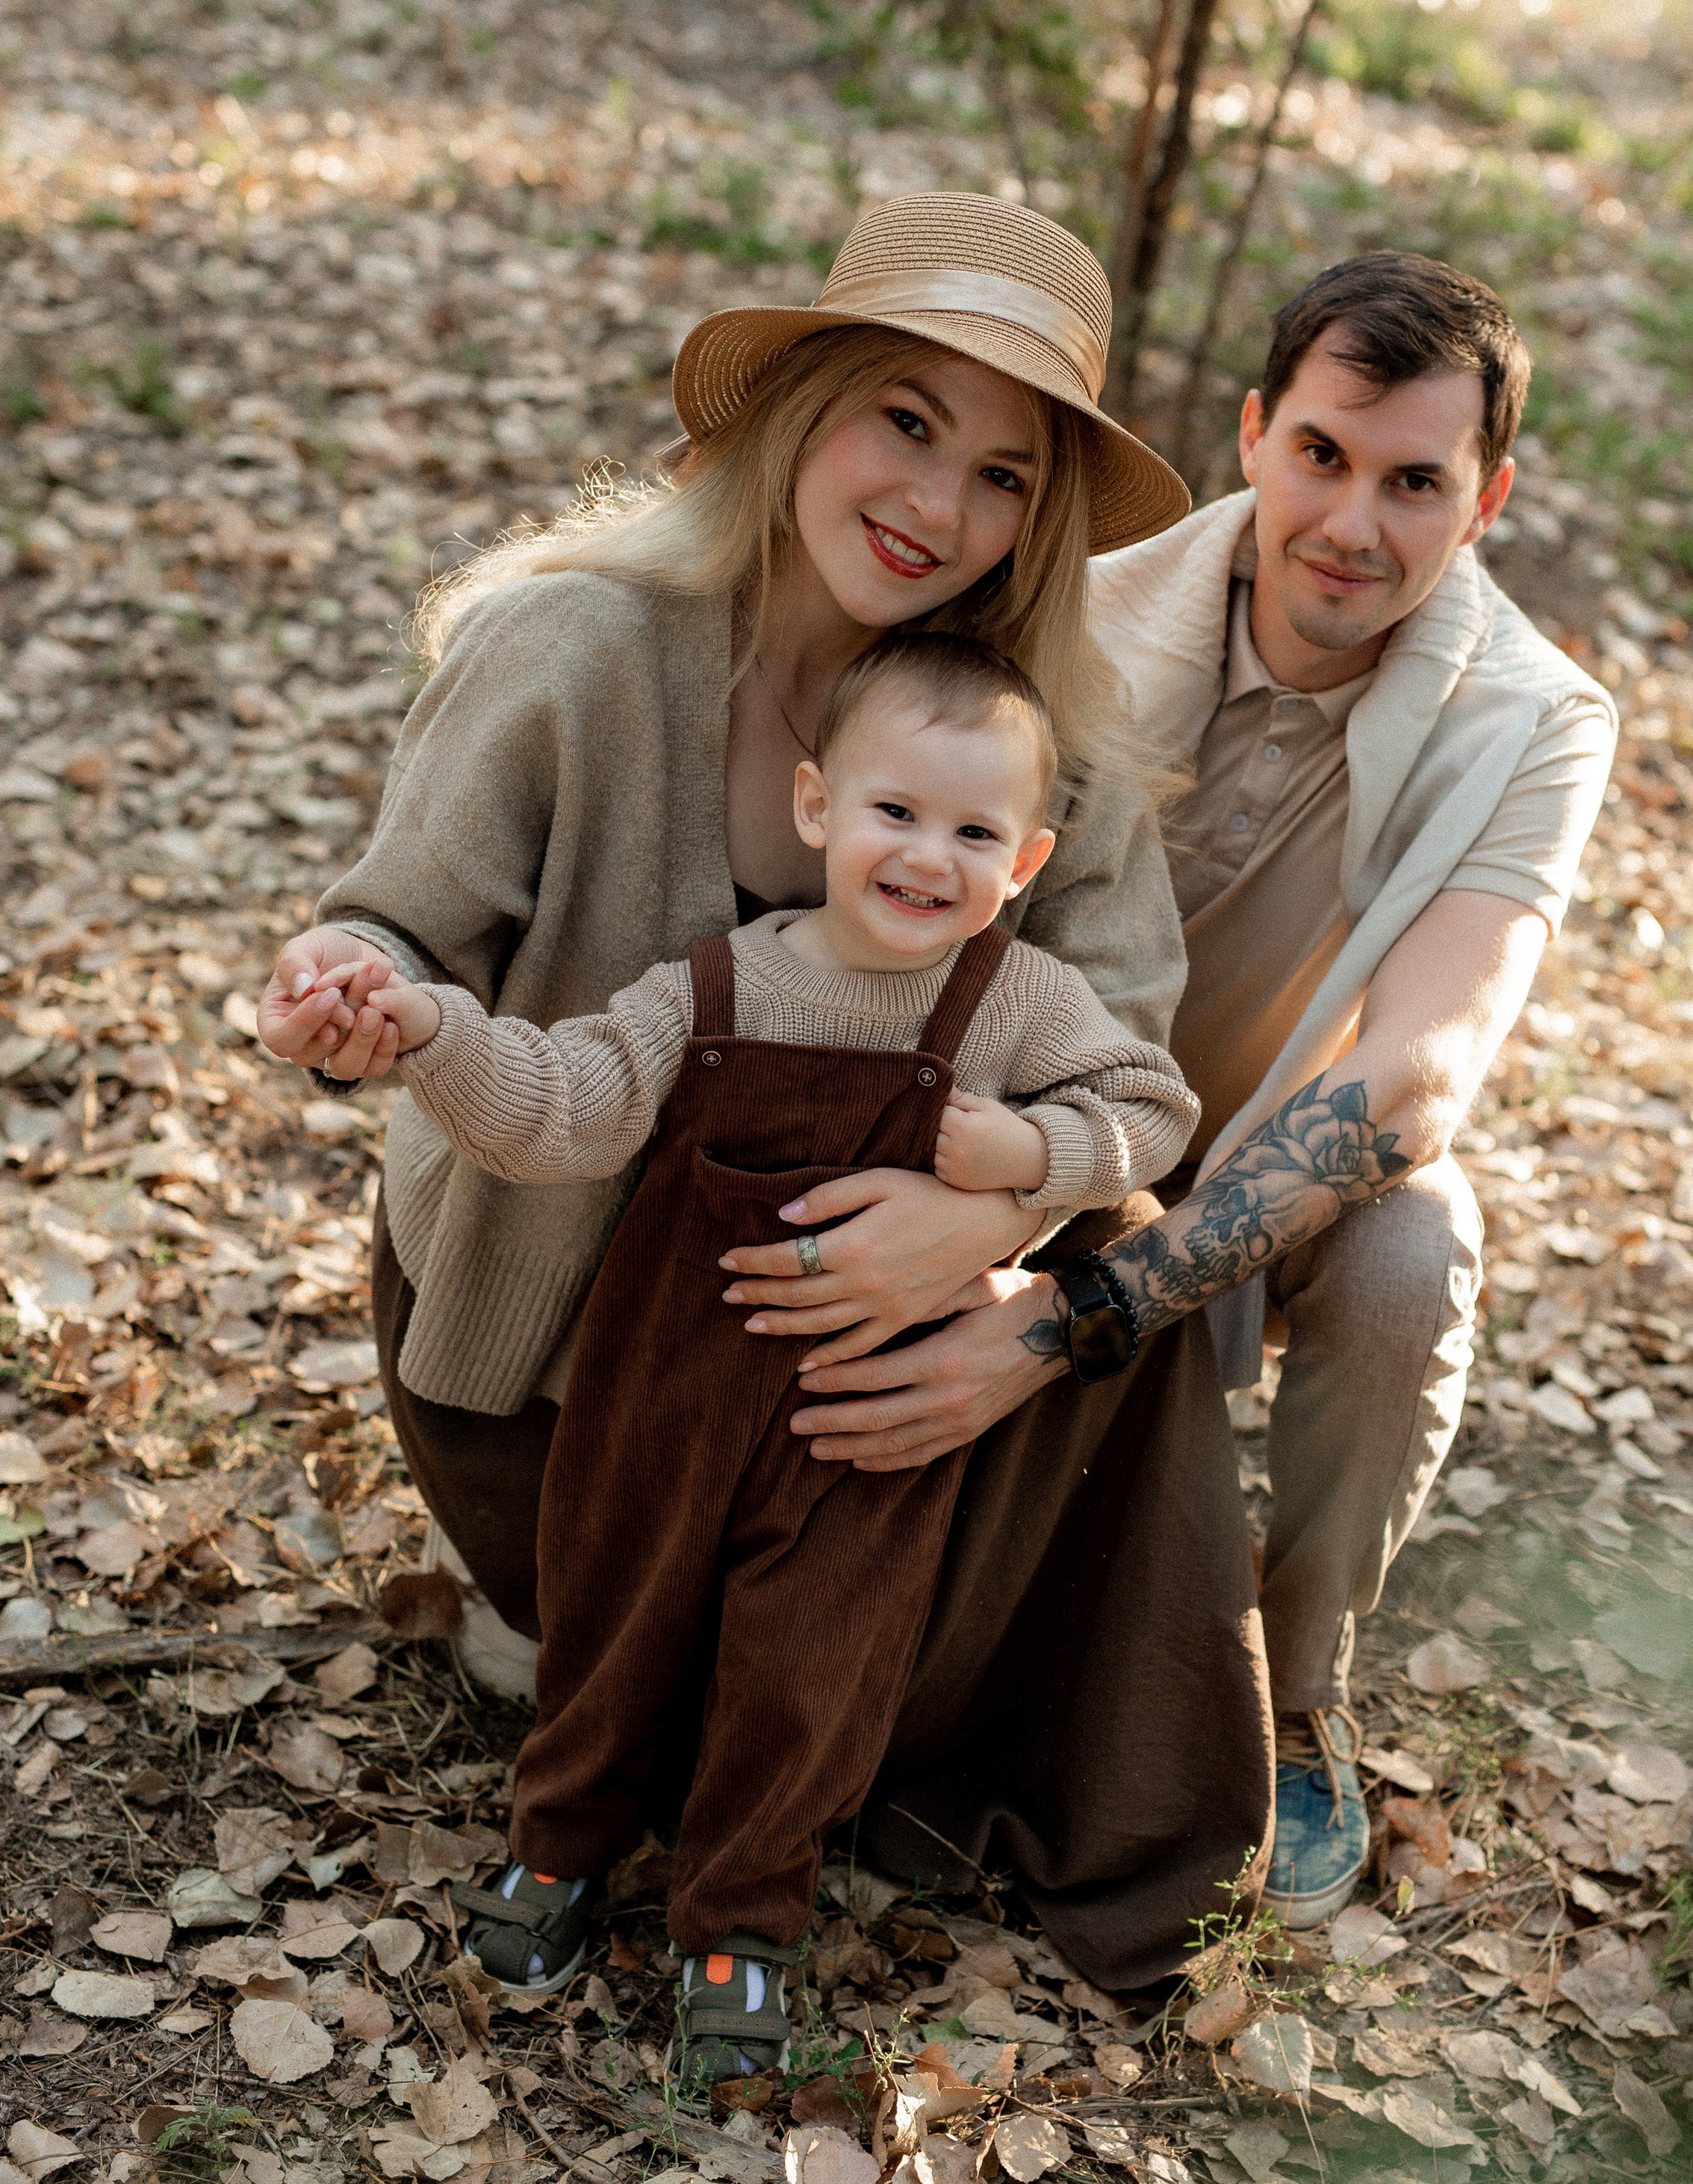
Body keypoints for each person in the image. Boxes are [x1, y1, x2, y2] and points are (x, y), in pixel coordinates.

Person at [255, 189, 1280, 1997]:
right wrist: (356, 992)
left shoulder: (1028, 730)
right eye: (905, 421)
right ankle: (576, 1630)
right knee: (662, 1718)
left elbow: (1120, 1036)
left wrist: (986, 1217)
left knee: (1120, 1236)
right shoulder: (579, 648)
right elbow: (402, 925)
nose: (937, 504)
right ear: (800, 409)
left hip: (867, 1353)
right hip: (579, 1347)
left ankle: (1015, 1723)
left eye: (1001, 473)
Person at [760, 252, 1618, 1932]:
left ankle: (1292, 1694)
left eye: (1414, 483)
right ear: (1250, 434)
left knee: (1413, 1251)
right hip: (1017, 1119)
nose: (1351, 526)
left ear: (1487, 500)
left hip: (1261, 1159)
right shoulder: (1073, 607)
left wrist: (1067, 1320)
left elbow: (1416, 1078)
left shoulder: (1535, 720)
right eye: (1320, 455)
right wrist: (1005, 1197)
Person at [296, 633, 1197, 2054]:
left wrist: (1035, 1156)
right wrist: (436, 1036)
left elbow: (1154, 1111)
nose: (929, 857)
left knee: (811, 1668)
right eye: (895, 810)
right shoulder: (710, 987)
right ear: (815, 807)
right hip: (660, 1395)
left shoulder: (1017, 1002)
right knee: (612, 1621)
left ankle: (742, 1923)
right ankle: (559, 1849)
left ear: (1027, 862)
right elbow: (563, 1106)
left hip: (859, 1420)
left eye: (975, 834)